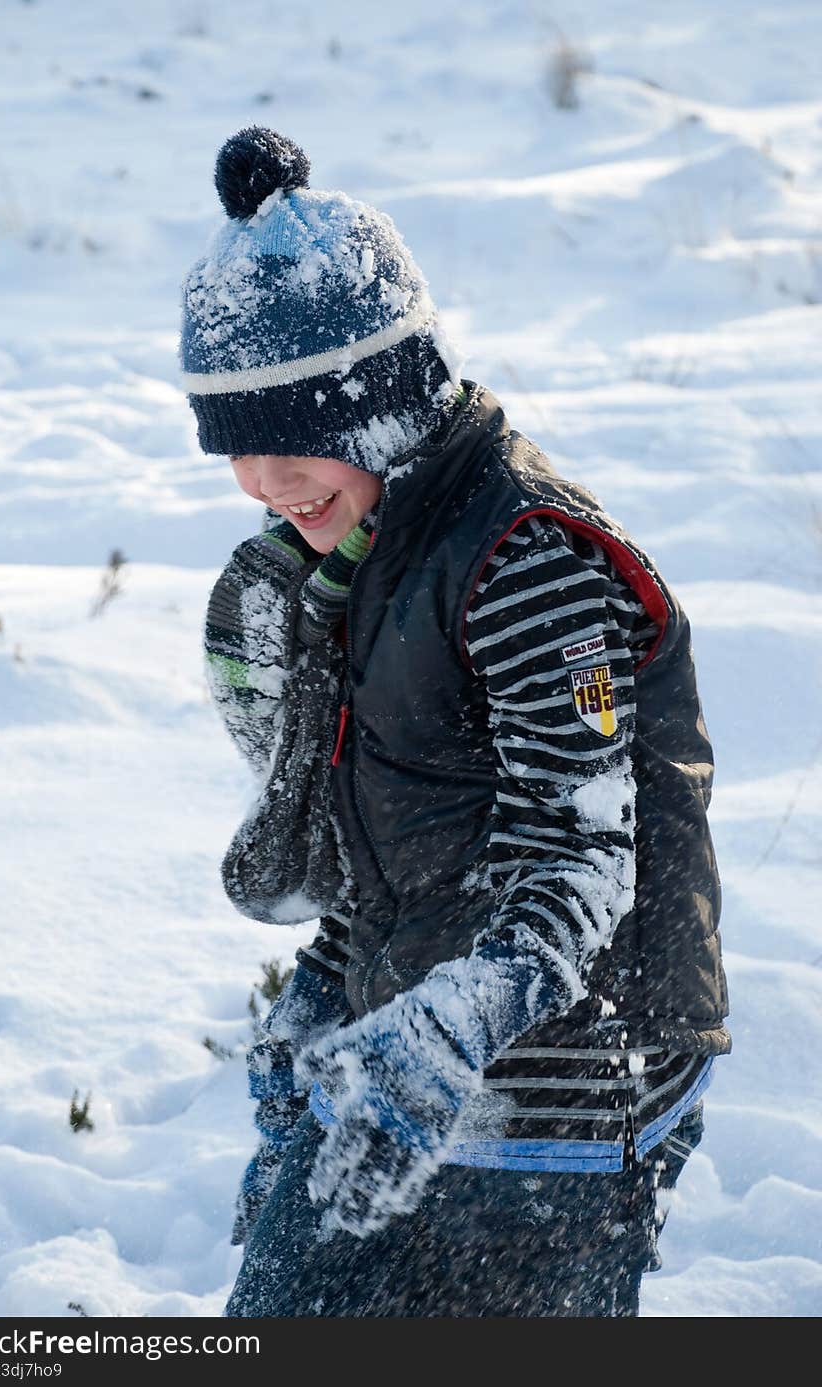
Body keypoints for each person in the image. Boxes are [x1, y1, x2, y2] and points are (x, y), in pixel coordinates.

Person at [180, 126, 730, 1317]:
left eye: (295, 434)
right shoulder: (353, 566)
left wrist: (439, 1036)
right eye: (234, 445)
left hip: (574, 1084)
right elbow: (398, 853)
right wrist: (320, 1001)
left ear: (382, 403)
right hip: (402, 1064)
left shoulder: (523, 557)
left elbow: (586, 854)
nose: (268, 478)